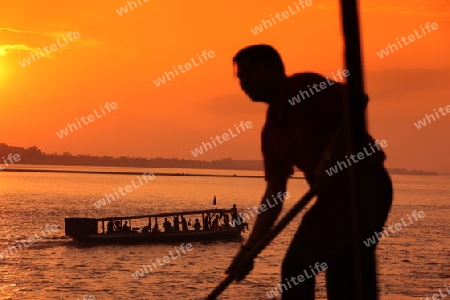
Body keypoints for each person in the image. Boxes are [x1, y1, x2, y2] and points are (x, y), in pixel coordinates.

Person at [225, 45, 393, 300]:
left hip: (367, 187)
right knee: (295, 269)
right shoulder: (271, 132)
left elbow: (357, 101)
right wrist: (249, 251)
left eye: (250, 73)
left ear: (273, 69)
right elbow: (274, 194)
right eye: (240, 77)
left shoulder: (304, 87)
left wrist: (330, 158)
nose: (245, 82)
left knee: (342, 269)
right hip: (331, 199)